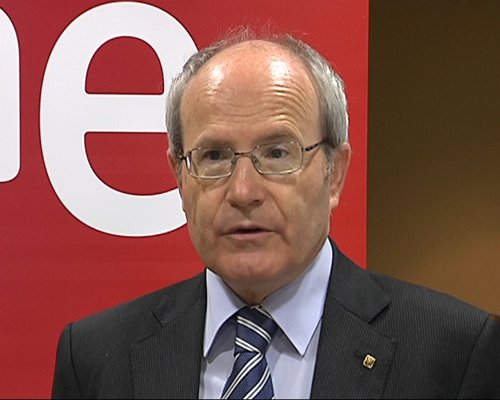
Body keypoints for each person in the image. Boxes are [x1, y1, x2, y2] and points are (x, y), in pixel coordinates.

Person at [52, 29, 500, 399]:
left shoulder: (455, 353)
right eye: (214, 156)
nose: (243, 192)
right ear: (180, 177)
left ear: (335, 174)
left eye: (278, 153)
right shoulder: (95, 359)